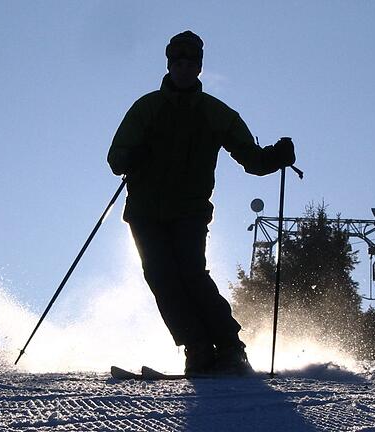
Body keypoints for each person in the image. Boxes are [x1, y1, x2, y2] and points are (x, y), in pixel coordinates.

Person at [107, 31, 296, 375]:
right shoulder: (147, 108)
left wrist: (276, 157)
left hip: (190, 210)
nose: (183, 67)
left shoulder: (214, 113)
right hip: (145, 211)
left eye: (190, 62)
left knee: (191, 272)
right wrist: (135, 156)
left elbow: (251, 160)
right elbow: (116, 157)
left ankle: (228, 347)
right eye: (177, 61)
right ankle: (196, 348)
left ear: (199, 67)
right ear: (169, 64)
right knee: (161, 275)